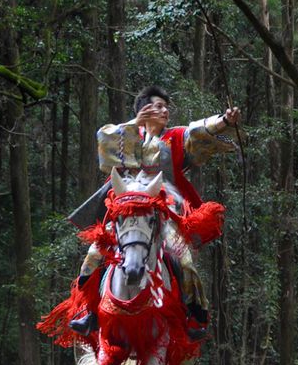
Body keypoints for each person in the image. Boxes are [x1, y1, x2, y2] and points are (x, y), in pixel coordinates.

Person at [68, 85, 241, 338]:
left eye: (165, 107)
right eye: (158, 106)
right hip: (126, 214)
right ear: (143, 110)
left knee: (183, 258)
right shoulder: (127, 134)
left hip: (163, 212)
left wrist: (224, 121)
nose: (164, 111)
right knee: (94, 254)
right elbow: (104, 144)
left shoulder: (174, 138)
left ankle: (193, 314)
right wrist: (135, 122)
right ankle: (89, 311)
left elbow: (199, 131)